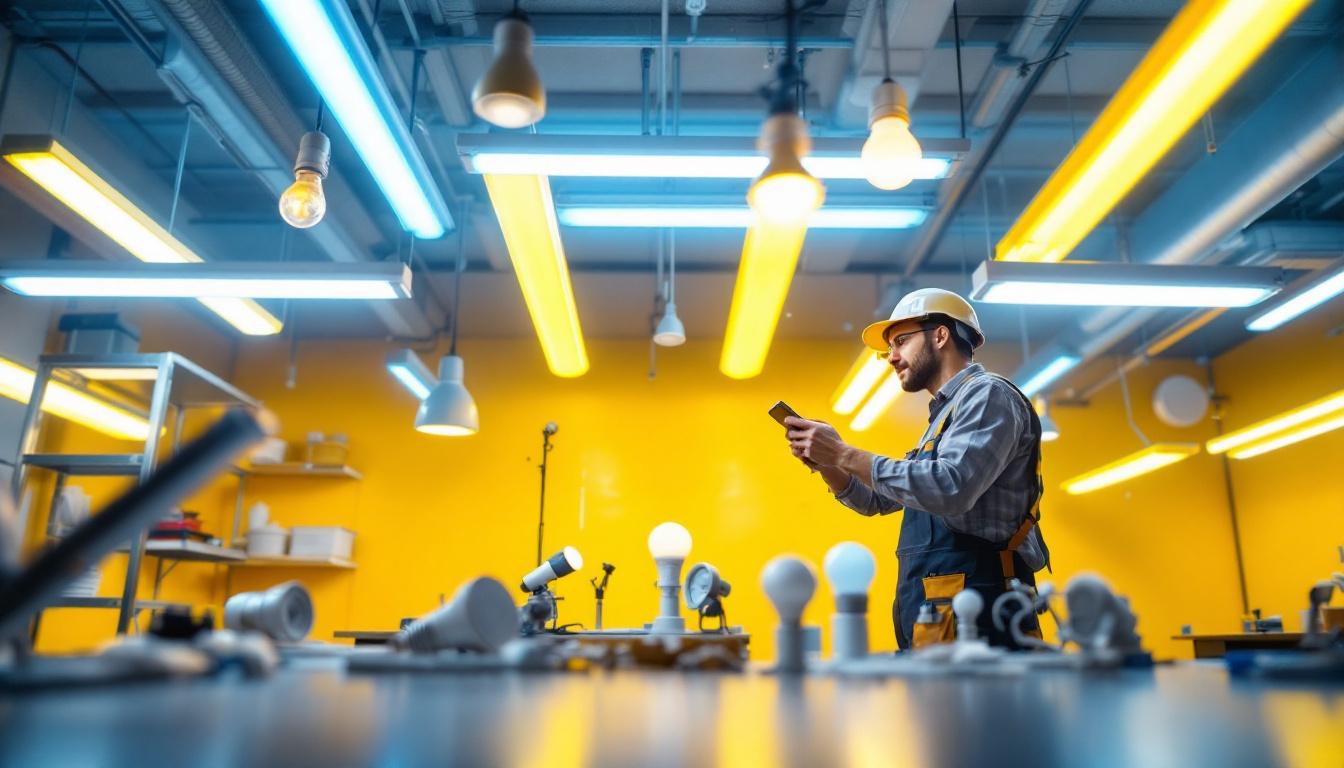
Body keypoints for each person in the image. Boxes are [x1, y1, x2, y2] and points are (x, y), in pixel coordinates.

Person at [784, 288, 1050, 650]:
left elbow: (951, 488)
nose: (891, 357)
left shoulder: (988, 394)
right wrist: (828, 463)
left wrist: (844, 453)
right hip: (939, 613)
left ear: (940, 336)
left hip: (984, 616)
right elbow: (874, 501)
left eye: (901, 342)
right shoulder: (942, 420)